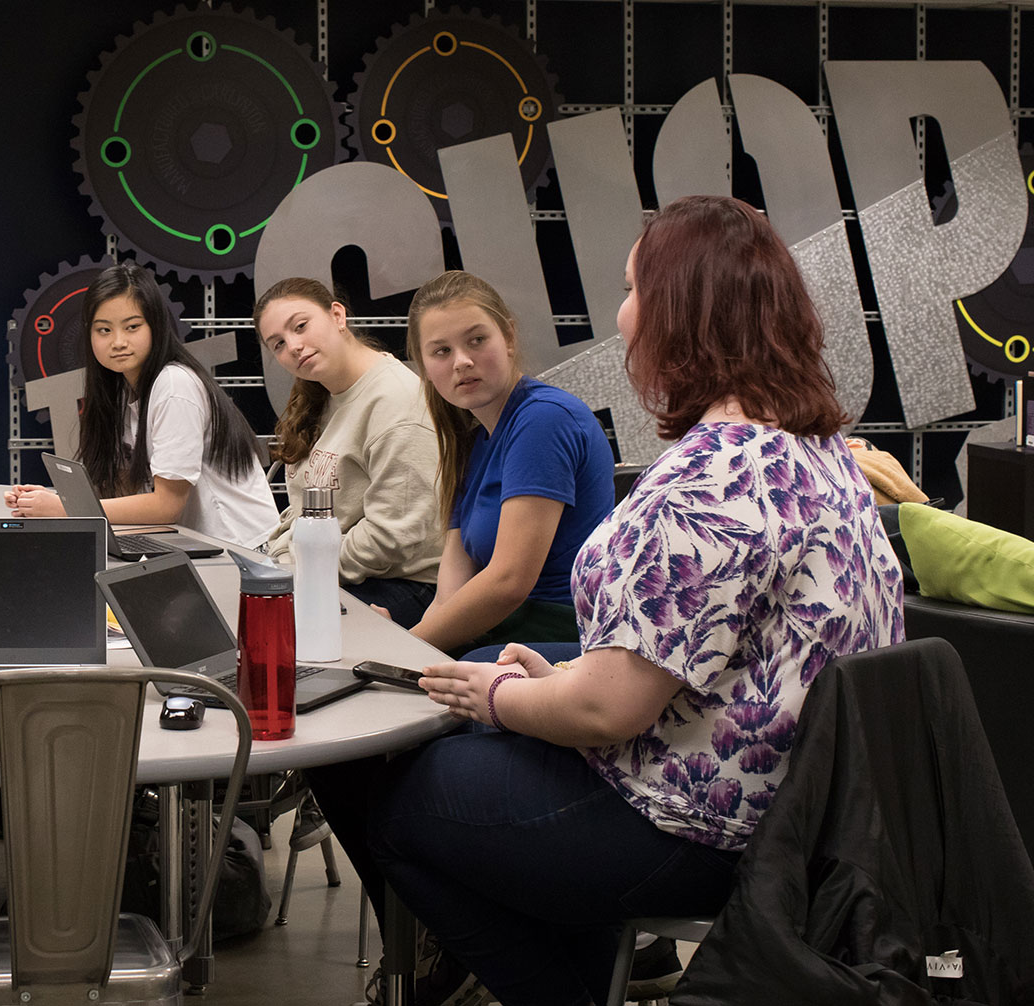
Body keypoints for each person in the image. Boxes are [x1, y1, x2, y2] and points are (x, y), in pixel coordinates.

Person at [342, 195, 904, 1006]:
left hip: (708, 826)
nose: (623, 310)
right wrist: (555, 677)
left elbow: (607, 713)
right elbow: (718, 655)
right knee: (460, 744)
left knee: (397, 810)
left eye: (634, 287)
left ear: (680, 313)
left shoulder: (709, 477)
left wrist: (506, 697)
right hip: (798, 810)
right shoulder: (816, 453)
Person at [402, 270, 615, 656]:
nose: (462, 362)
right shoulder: (473, 439)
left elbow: (508, 582)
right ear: (424, 366)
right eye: (441, 351)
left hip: (566, 636)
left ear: (510, 338)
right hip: (508, 632)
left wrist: (401, 650)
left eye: (477, 340)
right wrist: (397, 649)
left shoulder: (544, 419)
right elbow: (448, 597)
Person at [2, 262, 277, 547]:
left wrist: (63, 508)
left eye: (132, 327)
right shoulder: (122, 389)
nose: (118, 342)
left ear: (156, 326)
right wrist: (56, 500)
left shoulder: (174, 385)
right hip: (201, 547)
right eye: (104, 330)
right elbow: (127, 488)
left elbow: (166, 505)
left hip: (246, 552)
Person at [256, 277, 442, 626]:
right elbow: (300, 512)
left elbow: (391, 537)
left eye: (300, 326)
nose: (293, 346)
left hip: (401, 587)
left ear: (337, 316)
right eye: (278, 344)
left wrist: (299, 566)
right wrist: (281, 558)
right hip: (334, 571)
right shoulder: (321, 396)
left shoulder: (397, 402)